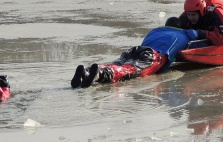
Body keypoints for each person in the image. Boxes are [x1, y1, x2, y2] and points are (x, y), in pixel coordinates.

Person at [71, 17, 208, 89]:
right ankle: (100, 74)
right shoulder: (183, 34)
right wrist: (200, 33)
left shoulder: (155, 30)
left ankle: (87, 71)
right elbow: (201, 46)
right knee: (130, 70)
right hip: (153, 55)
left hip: (136, 49)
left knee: (118, 63)